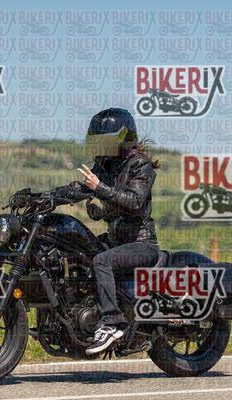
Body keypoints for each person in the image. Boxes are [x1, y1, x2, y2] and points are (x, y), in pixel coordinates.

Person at [55, 108, 160, 355]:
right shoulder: (106, 165)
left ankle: (112, 323)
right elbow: (80, 190)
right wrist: (45, 197)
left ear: (122, 139)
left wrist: (99, 188)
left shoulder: (140, 165)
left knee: (101, 261)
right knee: (74, 254)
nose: (100, 147)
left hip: (142, 244)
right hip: (115, 241)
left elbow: (134, 200)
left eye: (105, 141)